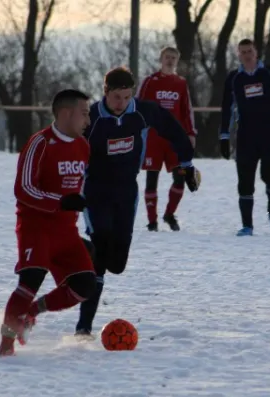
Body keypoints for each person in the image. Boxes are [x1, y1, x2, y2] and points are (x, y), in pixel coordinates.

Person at [74, 66, 200, 338]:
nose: (122, 103)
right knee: (100, 251)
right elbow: (68, 146)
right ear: (105, 93)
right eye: (117, 97)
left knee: (116, 264)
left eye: (127, 97)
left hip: (126, 192)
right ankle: (83, 326)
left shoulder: (142, 111)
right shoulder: (92, 117)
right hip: (96, 191)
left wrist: (186, 163)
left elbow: (173, 130)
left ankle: (84, 255)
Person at [0, 89, 96, 357]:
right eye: (84, 113)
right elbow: (23, 189)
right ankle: (5, 346)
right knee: (30, 280)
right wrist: (60, 201)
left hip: (66, 231)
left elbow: (81, 190)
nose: (88, 120)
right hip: (36, 228)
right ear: (66, 113)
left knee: (85, 285)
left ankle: (31, 312)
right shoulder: (39, 143)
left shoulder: (83, 146)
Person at [219, 38, 270, 236]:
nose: (247, 55)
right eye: (242, 52)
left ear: (256, 52)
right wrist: (224, 136)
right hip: (245, 136)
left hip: (269, 133)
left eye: (249, 51)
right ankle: (247, 226)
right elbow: (227, 108)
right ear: (238, 55)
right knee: (245, 181)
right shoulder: (235, 78)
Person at [136, 46, 197, 231]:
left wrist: (190, 134)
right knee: (151, 178)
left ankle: (169, 214)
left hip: (174, 138)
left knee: (180, 178)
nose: (170, 60)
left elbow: (186, 111)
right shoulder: (150, 81)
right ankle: (152, 221)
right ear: (161, 59)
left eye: (173, 57)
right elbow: (138, 106)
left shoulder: (180, 83)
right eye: (167, 57)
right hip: (153, 138)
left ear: (177, 61)